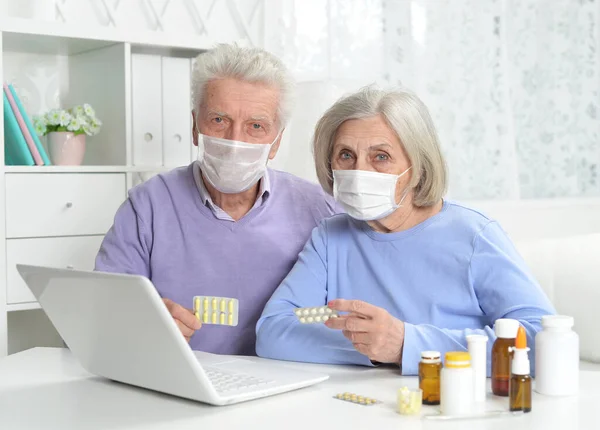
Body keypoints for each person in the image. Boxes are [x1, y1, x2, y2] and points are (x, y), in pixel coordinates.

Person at [255, 86, 555, 375]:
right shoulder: (330, 238)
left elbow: (544, 340)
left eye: (381, 157)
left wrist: (406, 345)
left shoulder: (474, 235)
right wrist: (371, 347)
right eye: (346, 155)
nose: (360, 171)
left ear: (418, 167)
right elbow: (272, 331)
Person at [95, 43, 340, 355]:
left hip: (287, 387)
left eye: (255, 126)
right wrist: (140, 324)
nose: (235, 141)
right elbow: (102, 317)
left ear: (276, 141)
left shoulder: (320, 210)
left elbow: (350, 313)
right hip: (178, 384)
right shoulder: (146, 208)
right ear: (195, 126)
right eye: (219, 120)